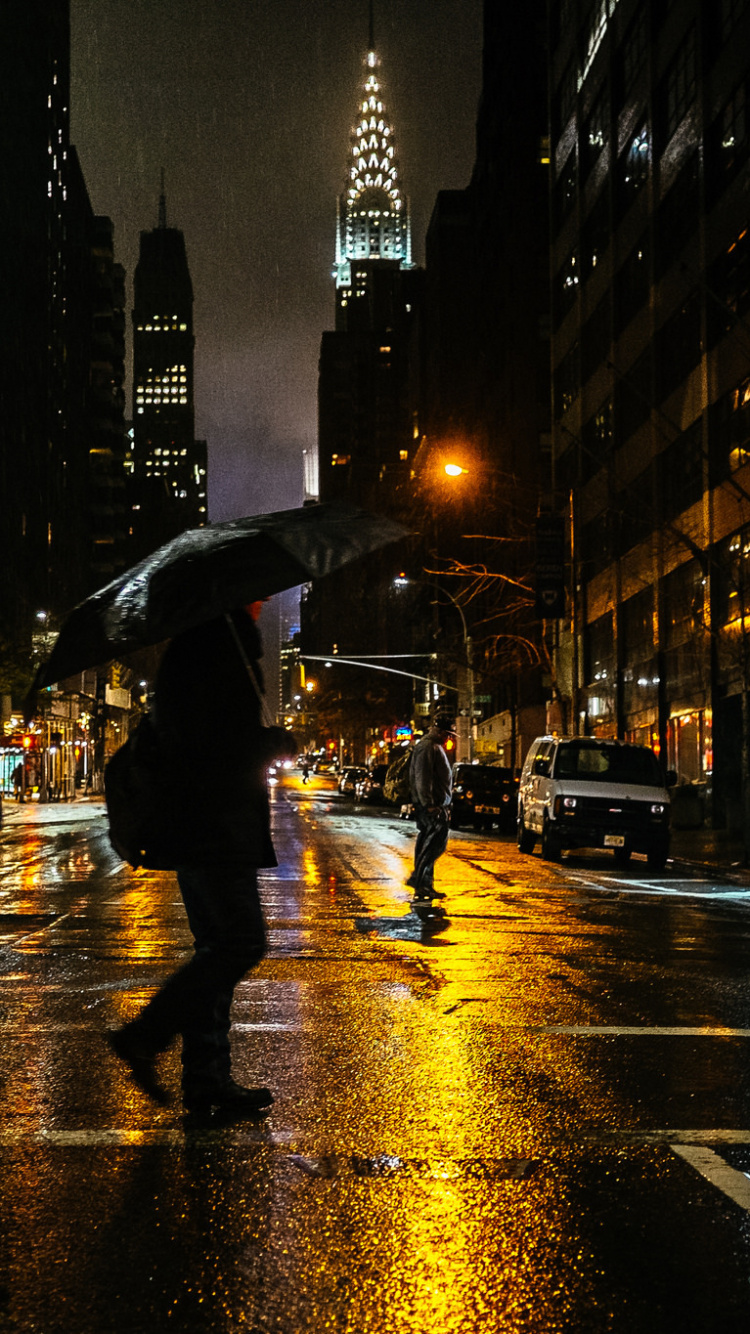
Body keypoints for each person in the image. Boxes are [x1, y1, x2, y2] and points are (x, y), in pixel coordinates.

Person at [107, 601, 296, 1117]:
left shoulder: (214, 643)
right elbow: (209, 745)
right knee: (238, 943)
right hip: (211, 827)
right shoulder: (213, 647)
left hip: (208, 825)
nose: (263, 602)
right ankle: (145, 1035)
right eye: (258, 593)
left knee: (217, 948)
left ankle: (207, 1081)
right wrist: (271, 742)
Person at [407, 714, 456, 902]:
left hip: (436, 805)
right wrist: (428, 805)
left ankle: (424, 883)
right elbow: (422, 777)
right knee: (431, 846)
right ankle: (420, 882)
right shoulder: (427, 747)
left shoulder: (434, 746)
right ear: (441, 732)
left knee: (432, 844)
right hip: (431, 806)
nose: (450, 738)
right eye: (448, 733)